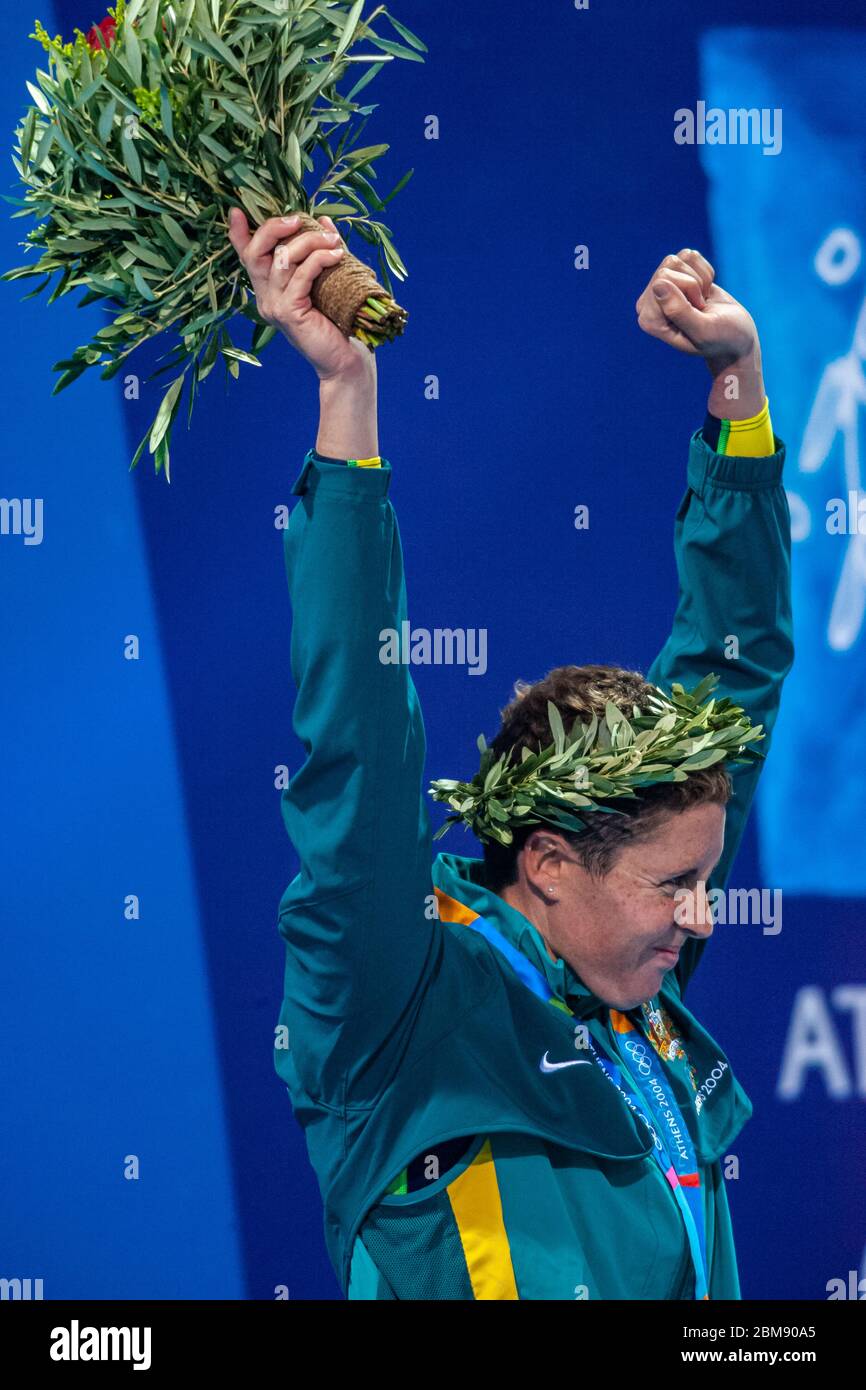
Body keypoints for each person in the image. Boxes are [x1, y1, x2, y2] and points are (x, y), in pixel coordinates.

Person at [227, 208, 794, 1301]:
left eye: (704, 877)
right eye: (674, 884)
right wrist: (347, 394)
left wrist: (737, 385)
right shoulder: (397, 1001)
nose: (702, 916)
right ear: (544, 862)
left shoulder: (630, 981)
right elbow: (358, 741)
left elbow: (734, 676)